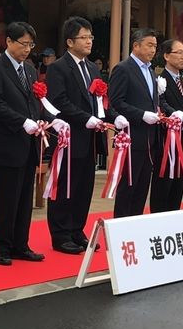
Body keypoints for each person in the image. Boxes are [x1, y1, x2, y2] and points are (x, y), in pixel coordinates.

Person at [0, 22, 68, 266]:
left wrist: (52, 120)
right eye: (23, 43)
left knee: (25, 197)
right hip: (6, 143)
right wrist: (22, 122)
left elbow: (36, 103)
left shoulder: (29, 70)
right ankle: (1, 246)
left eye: (31, 44)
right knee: (6, 198)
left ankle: (21, 244)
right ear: (9, 41)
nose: (28, 49)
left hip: (29, 144)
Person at [45, 16, 126, 254]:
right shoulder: (58, 68)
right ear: (70, 42)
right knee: (65, 185)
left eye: (91, 37)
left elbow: (101, 101)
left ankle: (76, 229)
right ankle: (60, 234)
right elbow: (59, 101)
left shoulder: (92, 68)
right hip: (69, 136)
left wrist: (113, 116)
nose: (89, 41)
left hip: (90, 139)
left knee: (84, 186)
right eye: (84, 37)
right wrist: (85, 118)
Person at [108, 28, 177, 218]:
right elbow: (116, 102)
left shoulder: (151, 71)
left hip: (150, 139)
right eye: (149, 45)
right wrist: (141, 115)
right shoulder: (123, 69)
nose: (153, 50)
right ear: (136, 45)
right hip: (132, 137)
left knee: (142, 187)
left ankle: (135, 224)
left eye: (155, 46)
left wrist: (165, 113)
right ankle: (121, 225)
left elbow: (154, 101)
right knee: (128, 186)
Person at [150, 38, 183, 213]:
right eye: (178, 52)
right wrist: (174, 114)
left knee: (178, 185)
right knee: (163, 185)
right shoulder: (159, 79)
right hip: (166, 141)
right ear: (166, 56)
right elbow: (160, 103)